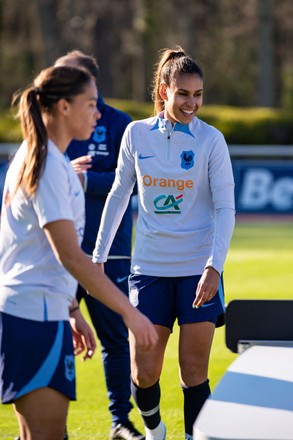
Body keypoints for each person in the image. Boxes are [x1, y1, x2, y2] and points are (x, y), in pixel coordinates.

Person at [0, 65, 158, 440]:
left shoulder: (40, 156)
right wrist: (130, 313)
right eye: (90, 104)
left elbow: (35, 250)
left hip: (37, 312)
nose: (98, 113)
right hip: (32, 317)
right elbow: (69, 255)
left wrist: (70, 309)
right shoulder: (48, 164)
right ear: (64, 107)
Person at [92, 46, 235, 440]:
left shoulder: (212, 141)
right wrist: (99, 256)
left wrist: (214, 266)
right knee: (146, 372)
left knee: (193, 371)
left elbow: (225, 209)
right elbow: (120, 194)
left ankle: (194, 437)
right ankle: (155, 430)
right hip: (149, 271)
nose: (192, 103)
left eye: (198, 94)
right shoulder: (136, 133)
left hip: (198, 272)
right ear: (163, 90)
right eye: (184, 94)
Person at [54, 50, 144, 440]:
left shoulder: (122, 124)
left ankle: (120, 421)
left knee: (113, 339)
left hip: (109, 254)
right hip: (60, 256)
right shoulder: (50, 128)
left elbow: (136, 182)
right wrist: (63, 173)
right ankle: (50, 423)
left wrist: (86, 182)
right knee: (53, 336)